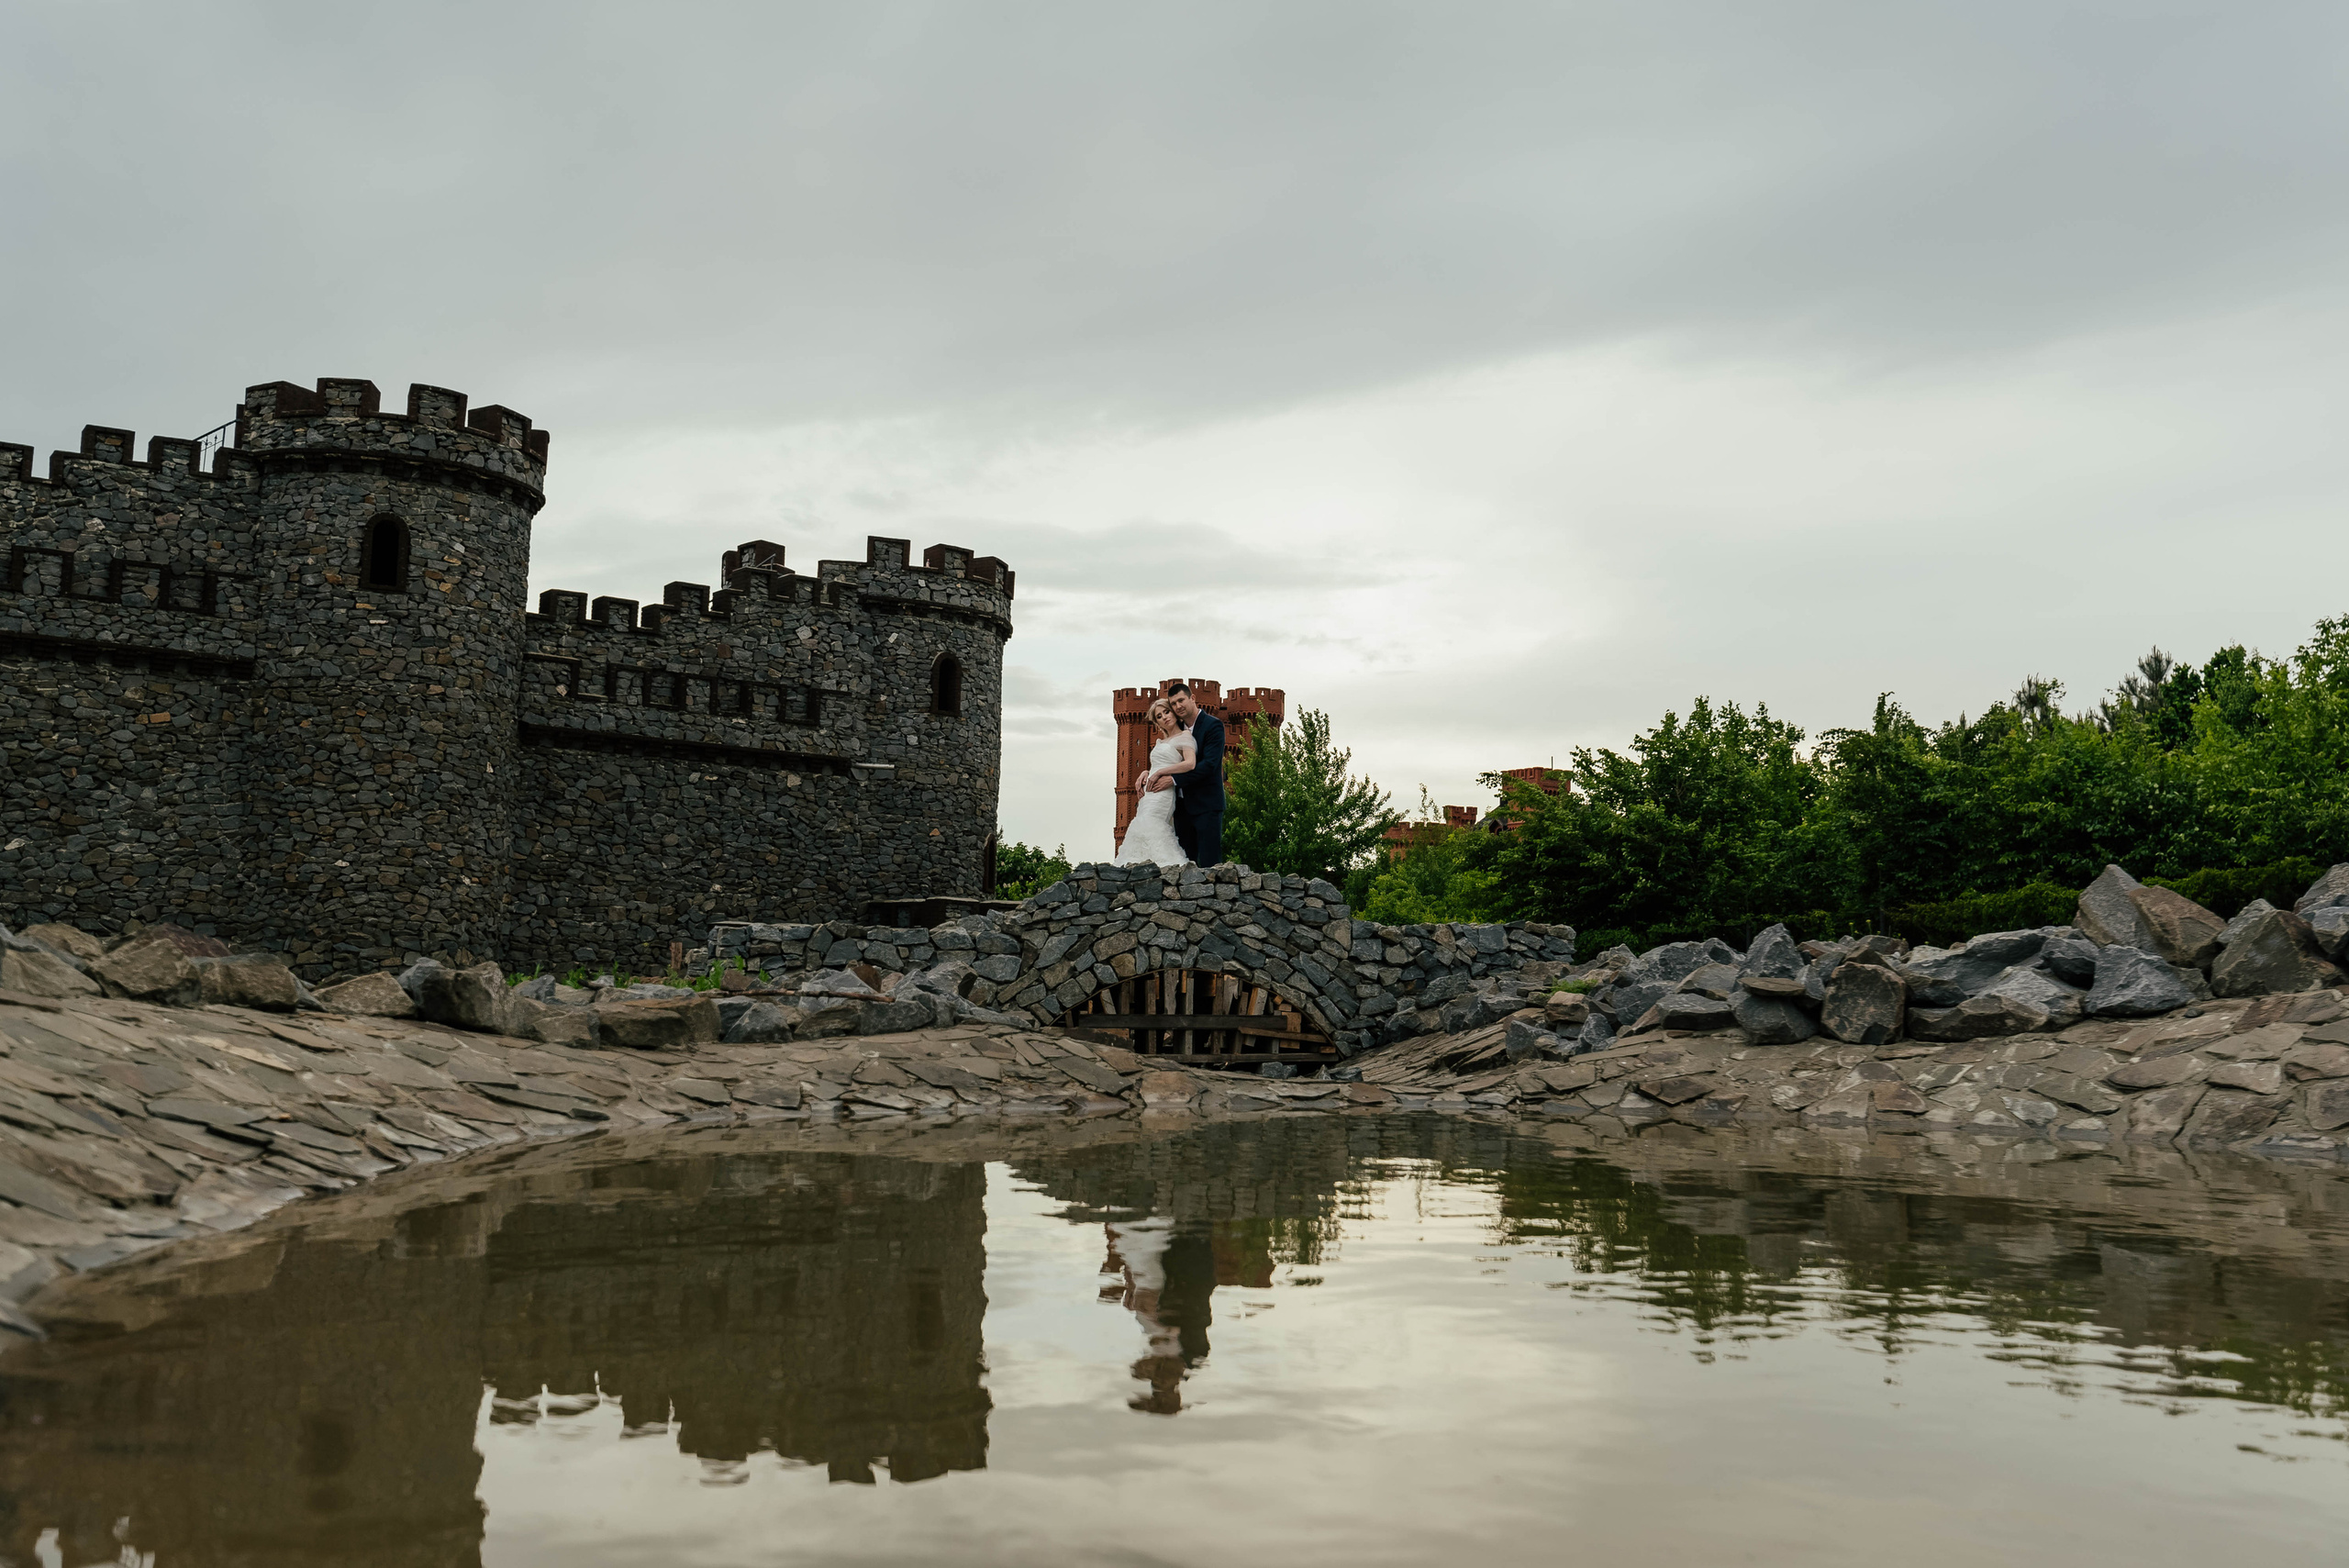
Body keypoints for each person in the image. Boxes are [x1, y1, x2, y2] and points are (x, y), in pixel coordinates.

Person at [1113, 696, 1193, 867]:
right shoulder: (1160, 742)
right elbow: (1159, 763)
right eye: (1159, 716)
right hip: (1148, 793)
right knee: (1142, 822)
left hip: (1163, 791)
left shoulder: (1185, 735)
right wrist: (1146, 772)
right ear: (1157, 723)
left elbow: (1190, 763)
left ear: (1174, 713)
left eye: (1166, 712)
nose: (1164, 717)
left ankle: (1165, 866)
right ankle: (1137, 866)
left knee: (1152, 823)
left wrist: (1161, 772)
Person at [1164, 682, 1225, 867]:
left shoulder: (1213, 725)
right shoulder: (1177, 729)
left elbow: (1209, 765)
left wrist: (1175, 779)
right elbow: (1167, 759)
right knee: (1184, 865)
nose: (1178, 706)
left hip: (1207, 806)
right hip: (1182, 809)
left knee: (1209, 864)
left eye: (1181, 700)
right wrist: (1146, 772)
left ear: (1192, 698)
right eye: (1173, 704)